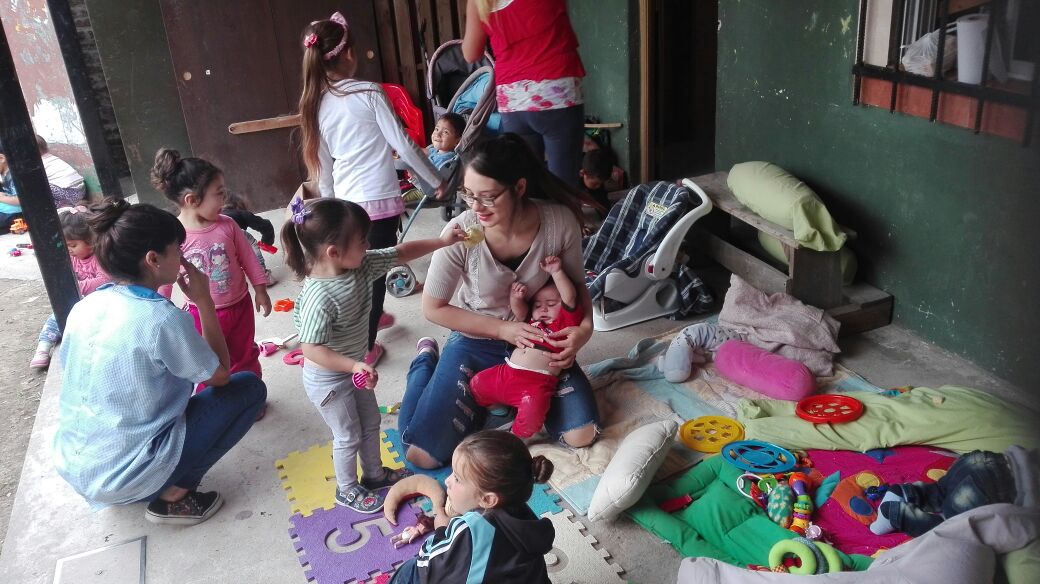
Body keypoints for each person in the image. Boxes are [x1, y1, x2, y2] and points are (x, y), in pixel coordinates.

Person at [52, 198, 267, 525]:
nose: (183, 257)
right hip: (128, 475)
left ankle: (131, 477)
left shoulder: (86, 306)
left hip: (79, 466)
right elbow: (221, 375)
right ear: (153, 259)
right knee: (249, 388)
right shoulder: (160, 319)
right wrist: (204, 302)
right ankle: (174, 495)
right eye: (178, 250)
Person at [399, 133, 598, 470]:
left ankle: (492, 403)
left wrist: (584, 331)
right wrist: (504, 330)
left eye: (488, 197)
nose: (475, 207)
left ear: (519, 187)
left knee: (581, 434)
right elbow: (433, 307)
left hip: (539, 344)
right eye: (468, 195)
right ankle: (424, 364)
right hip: (476, 338)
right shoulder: (461, 231)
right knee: (423, 455)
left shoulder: (558, 222)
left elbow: (578, 287)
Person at [281, 197, 466, 513]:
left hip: (354, 369)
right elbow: (311, 349)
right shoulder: (319, 296)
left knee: (370, 422)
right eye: (362, 241)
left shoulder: (363, 264)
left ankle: (374, 474)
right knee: (347, 435)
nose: (368, 245)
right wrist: (353, 364)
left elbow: (401, 252)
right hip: (328, 378)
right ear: (334, 252)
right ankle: (346, 489)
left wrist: (443, 241)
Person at [298, 11, 447, 367]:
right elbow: (404, 145)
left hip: (346, 205)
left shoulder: (316, 102)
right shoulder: (369, 92)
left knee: (357, 268)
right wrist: (435, 180)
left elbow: (322, 167)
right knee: (374, 273)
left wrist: (328, 207)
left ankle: (371, 316)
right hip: (378, 201)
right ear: (349, 54)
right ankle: (365, 346)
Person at [151, 148, 271, 388]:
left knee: (244, 353)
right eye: (218, 194)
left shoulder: (228, 225)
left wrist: (260, 289)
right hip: (200, 313)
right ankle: (213, 399)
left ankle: (250, 392)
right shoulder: (175, 236)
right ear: (192, 200)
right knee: (207, 362)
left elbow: (248, 258)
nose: (224, 200)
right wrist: (158, 304)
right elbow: (164, 275)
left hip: (240, 305)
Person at [387, 430, 556, 583]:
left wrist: (441, 530)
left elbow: (429, 569)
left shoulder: (469, 530)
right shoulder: (526, 516)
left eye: (457, 478)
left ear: (488, 499)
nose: (447, 481)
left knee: (409, 570)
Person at [462, 0, 586, 185]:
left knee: (526, 186)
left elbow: (470, 53)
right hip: (555, 91)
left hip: (513, 99)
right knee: (565, 186)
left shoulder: (478, 2)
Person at [468, 255, 582, 438]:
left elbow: (569, 297)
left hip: (536, 384)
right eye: (538, 305)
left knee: (532, 416)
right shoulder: (533, 322)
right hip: (507, 372)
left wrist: (557, 272)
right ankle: (499, 411)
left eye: (551, 304)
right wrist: (516, 298)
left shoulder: (563, 324)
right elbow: (520, 313)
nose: (543, 308)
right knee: (477, 383)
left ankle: (515, 437)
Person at [870, 445, 1038, 537]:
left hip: (984, 460)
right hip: (999, 485)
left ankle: (904, 492)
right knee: (952, 529)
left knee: (940, 491)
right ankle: (895, 514)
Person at [29, 206, 111, 370]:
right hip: (79, 300)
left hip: (100, 301)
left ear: (91, 241)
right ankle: (43, 347)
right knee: (55, 317)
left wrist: (77, 286)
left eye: (73, 245)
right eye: (65, 245)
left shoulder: (100, 257)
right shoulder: (72, 258)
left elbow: (105, 279)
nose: (69, 250)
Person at [222, 190, 277, 286]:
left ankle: (224, 282)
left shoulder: (215, 216)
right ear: (238, 204)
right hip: (234, 234)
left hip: (217, 241)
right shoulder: (241, 213)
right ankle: (263, 276)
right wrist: (266, 243)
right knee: (250, 243)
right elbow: (266, 226)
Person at [36, 134, 86, 207]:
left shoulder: (40, 163)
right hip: (81, 191)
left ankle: (63, 205)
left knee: (38, 185)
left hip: (70, 194)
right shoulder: (52, 158)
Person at [580, 148, 613, 214]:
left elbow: (604, 204)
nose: (598, 186)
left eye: (602, 183)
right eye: (595, 184)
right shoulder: (572, 181)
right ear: (583, 173)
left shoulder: (597, 186)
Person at [0, 148, 22, 232]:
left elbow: (21, 200)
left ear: (2, 158)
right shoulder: (4, 173)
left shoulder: (14, 175)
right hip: (8, 210)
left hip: (17, 213)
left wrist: (2, 198)